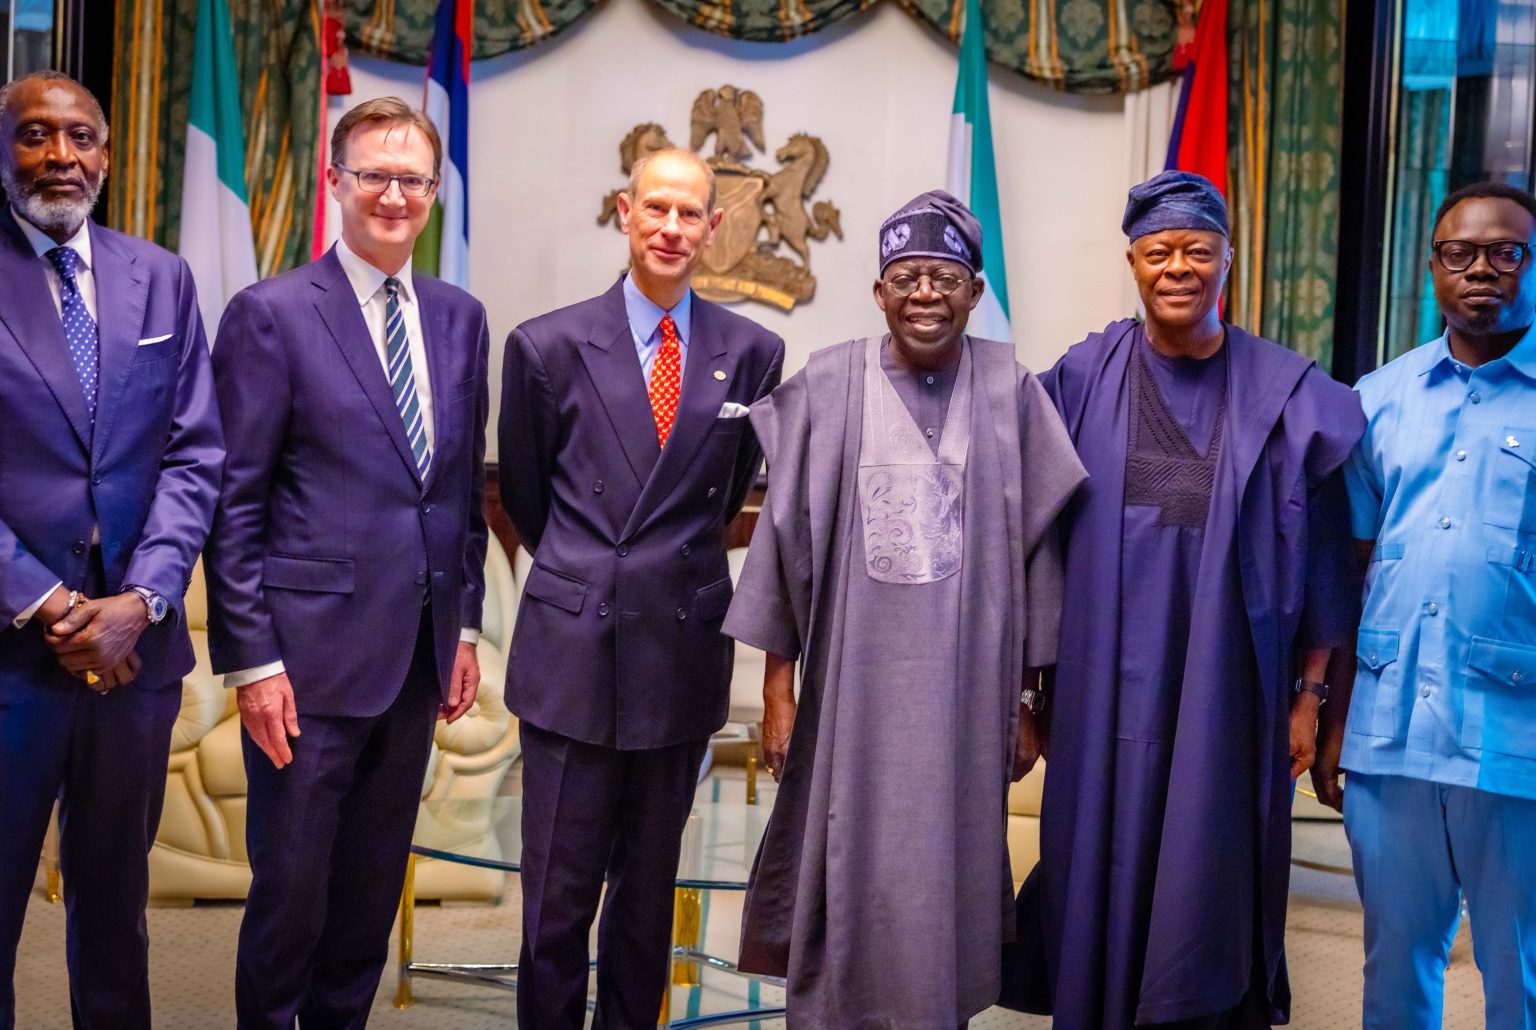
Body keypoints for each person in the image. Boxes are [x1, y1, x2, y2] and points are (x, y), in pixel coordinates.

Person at [1009, 170, 1365, 1028]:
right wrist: (1028, 693)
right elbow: (1032, 542)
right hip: (1097, 689)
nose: (1178, 267)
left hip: (1229, 693)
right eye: (1158, 251)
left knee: (1213, 867)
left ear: (1228, 260)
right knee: (1095, 860)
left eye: (1198, 251)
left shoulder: (1289, 395)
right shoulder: (1079, 380)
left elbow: (1325, 559)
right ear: (1133, 263)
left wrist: (1310, 697)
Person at [722, 190, 1086, 1028]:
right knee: (844, 857)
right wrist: (778, 693)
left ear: (976, 291)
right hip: (850, 697)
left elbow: (1041, 555)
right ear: (879, 290)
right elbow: (784, 544)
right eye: (907, 277)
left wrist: (1028, 703)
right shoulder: (830, 385)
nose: (926, 294)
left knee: (946, 874)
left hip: (969, 698)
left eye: (946, 278)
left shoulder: (1011, 389)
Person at [205, 97, 489, 1028]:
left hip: (416, 661)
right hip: (305, 667)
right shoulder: (271, 314)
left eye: (413, 179)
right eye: (374, 176)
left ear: (434, 191)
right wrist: (253, 663)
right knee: (291, 897)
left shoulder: (460, 319)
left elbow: (457, 494)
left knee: (368, 899)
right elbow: (235, 503)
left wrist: (465, 628)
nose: (394, 196)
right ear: (336, 183)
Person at [498, 147, 784, 1028]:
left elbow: (726, 497)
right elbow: (528, 498)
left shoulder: (755, 352)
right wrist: (596, 573)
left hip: (678, 649)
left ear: (714, 227)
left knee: (647, 903)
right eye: (655, 208)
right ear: (624, 211)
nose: (670, 227)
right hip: (573, 654)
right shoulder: (546, 345)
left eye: (689, 213)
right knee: (555, 906)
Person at [0, 71, 223, 1029]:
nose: (61, 155)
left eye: (81, 136)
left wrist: (143, 599)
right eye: (34, 135)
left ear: (106, 152)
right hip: (13, 653)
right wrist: (52, 603)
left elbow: (195, 452)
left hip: (134, 658)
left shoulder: (161, 276)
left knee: (115, 915)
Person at [1313, 181, 1536, 1029]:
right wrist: (1335, 721)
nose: (1481, 269)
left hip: (1516, 744)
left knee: (1521, 977)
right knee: (1394, 966)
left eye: (1505, 251)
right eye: (1459, 253)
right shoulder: (1377, 398)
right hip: (1392, 733)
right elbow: (1351, 570)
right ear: (1433, 267)